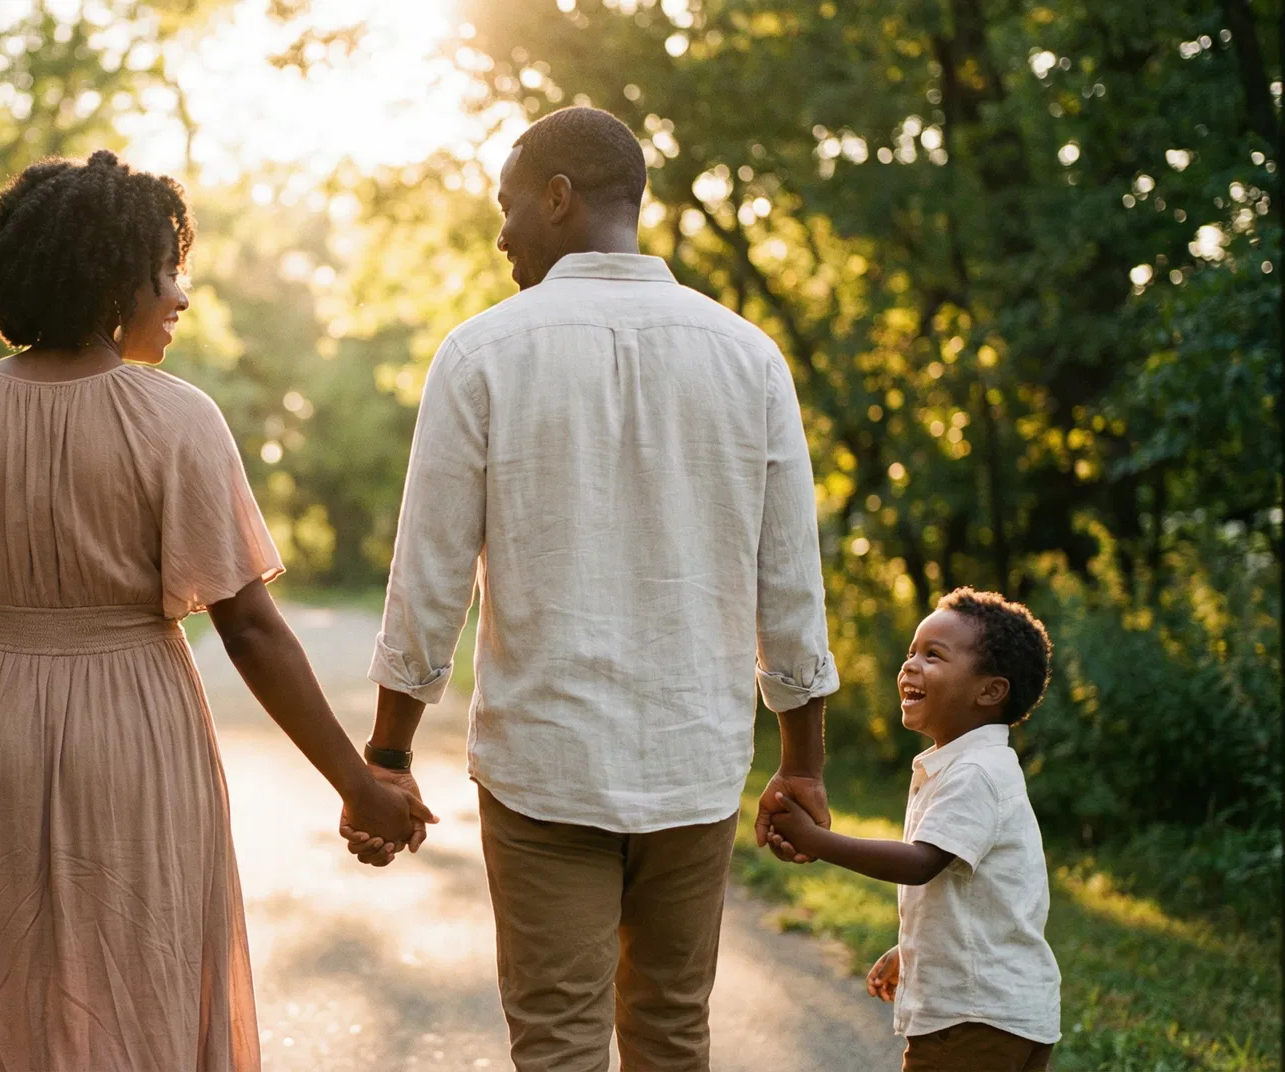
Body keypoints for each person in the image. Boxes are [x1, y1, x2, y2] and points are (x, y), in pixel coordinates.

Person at [0, 149, 433, 1072]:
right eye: (169, 269)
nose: (182, 293)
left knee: (4, 977)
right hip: (137, 726)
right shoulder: (177, 418)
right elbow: (247, 625)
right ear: (117, 277)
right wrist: (357, 784)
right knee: (143, 973)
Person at [341, 106, 840, 1072]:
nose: (502, 234)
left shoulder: (482, 353)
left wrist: (390, 753)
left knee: (558, 1045)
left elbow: (429, 577)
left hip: (545, 772)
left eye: (509, 206)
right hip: (693, 767)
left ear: (559, 198)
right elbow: (791, 582)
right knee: (670, 1034)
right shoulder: (749, 357)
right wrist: (803, 762)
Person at [769, 588, 1061, 1071]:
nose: (910, 665)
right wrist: (911, 950)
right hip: (1002, 1011)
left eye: (933, 655)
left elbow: (922, 863)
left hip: (972, 1020)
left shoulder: (975, 772)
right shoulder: (969, 765)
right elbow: (970, 900)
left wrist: (817, 841)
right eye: (911, 652)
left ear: (989, 690)